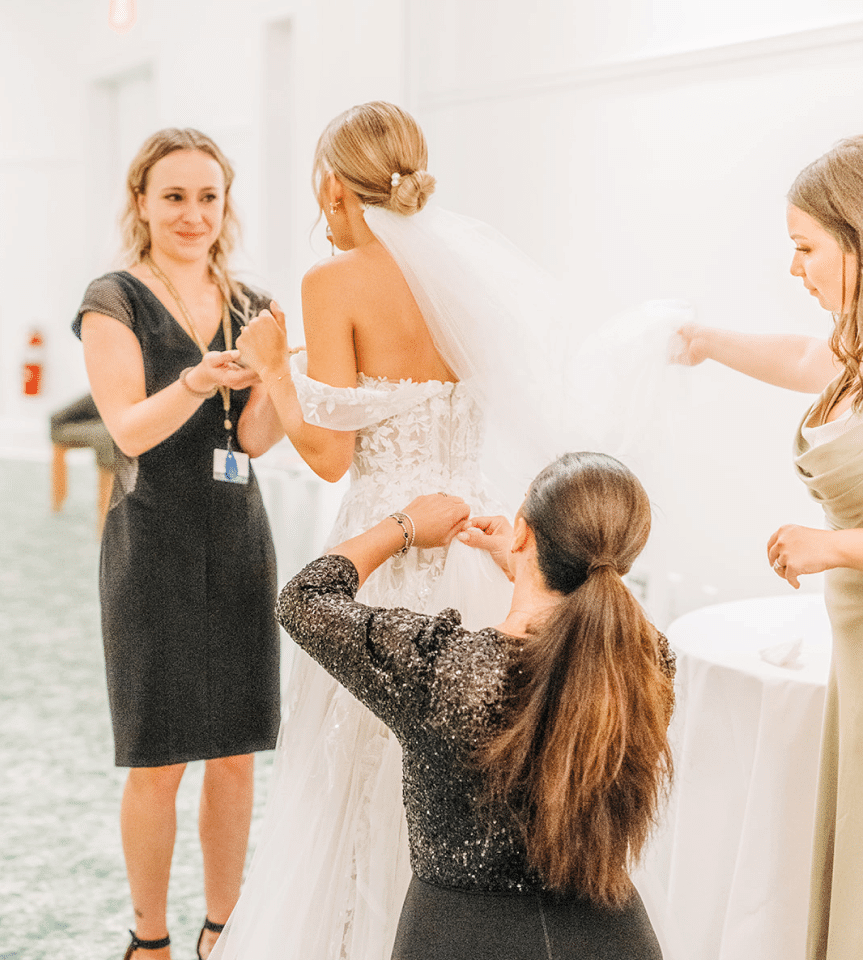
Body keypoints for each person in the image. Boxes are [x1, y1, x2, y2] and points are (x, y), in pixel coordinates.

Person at [210, 101, 565, 960]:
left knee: (358, 759)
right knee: (471, 759)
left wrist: (268, 370)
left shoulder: (335, 283)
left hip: (388, 543)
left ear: (333, 186)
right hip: (477, 540)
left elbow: (330, 456)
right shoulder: (466, 279)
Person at [276, 452, 675, 959]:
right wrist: (527, 566)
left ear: (523, 531)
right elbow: (599, 609)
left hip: (459, 939)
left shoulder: (442, 668)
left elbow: (304, 599)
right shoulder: (648, 666)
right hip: (613, 939)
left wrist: (402, 527)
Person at [73, 128, 285, 960]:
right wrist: (198, 378)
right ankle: (149, 938)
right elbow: (128, 431)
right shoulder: (113, 298)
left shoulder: (250, 300)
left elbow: (258, 438)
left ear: (225, 205)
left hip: (237, 538)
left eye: (208, 196)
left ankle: (221, 929)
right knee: (158, 760)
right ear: (142, 202)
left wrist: (276, 375)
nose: (193, 213)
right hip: (152, 541)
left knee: (235, 756)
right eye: (174, 196)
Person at [670, 134, 863, 960]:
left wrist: (838, 546)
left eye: (806, 248)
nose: (796, 270)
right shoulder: (849, 349)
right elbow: (798, 357)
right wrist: (705, 341)